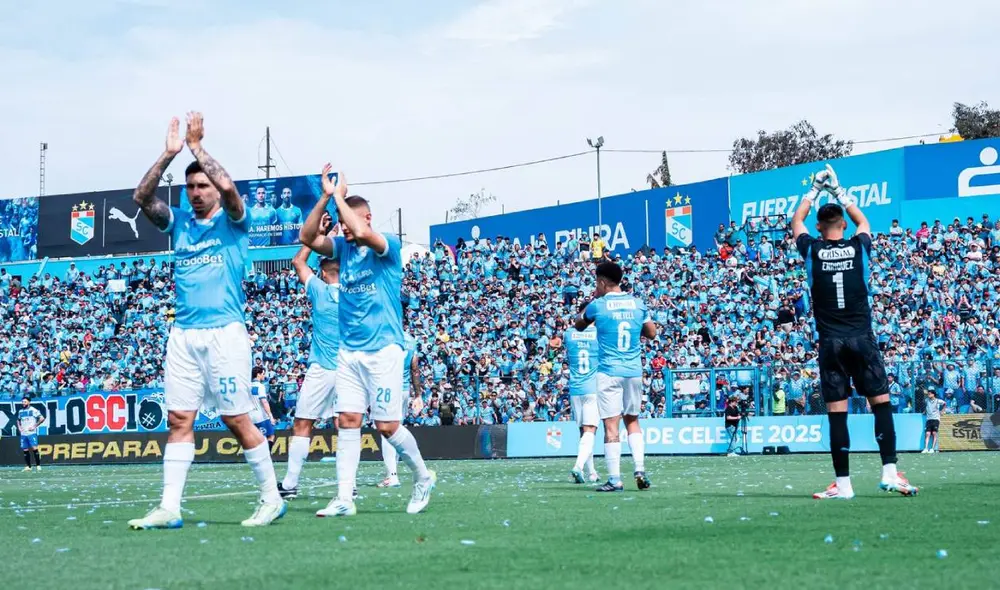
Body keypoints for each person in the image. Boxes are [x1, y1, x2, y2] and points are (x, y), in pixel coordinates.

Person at [127, 113, 286, 529]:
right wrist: (169, 154)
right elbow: (141, 198)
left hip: (225, 333)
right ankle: (170, 508)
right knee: (179, 419)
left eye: (203, 186)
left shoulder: (234, 223)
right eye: (191, 187)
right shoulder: (178, 223)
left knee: (236, 419)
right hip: (183, 335)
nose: (196, 192)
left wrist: (198, 148)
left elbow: (232, 189)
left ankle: (271, 498)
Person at [300, 165, 435, 517]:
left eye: (348, 222)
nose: (344, 229)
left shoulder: (386, 245)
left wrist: (341, 198)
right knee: (347, 421)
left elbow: (360, 230)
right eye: (342, 224)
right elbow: (307, 238)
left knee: (388, 427)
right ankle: (344, 497)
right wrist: (326, 198)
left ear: (368, 218)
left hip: (384, 350)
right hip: (350, 353)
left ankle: (422, 477)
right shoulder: (343, 248)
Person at [790, 164, 917, 500]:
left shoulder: (812, 250)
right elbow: (863, 222)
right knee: (881, 404)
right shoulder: (859, 246)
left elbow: (795, 222)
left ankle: (843, 485)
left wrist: (815, 190)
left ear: (819, 227)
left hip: (831, 343)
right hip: (862, 338)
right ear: (842, 225)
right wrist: (839, 191)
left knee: (836, 413)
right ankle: (890, 472)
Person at [575, 261, 657, 492]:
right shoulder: (638, 304)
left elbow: (579, 325)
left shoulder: (597, 305)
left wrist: (590, 313)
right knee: (633, 420)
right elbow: (651, 333)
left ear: (601, 282)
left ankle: (614, 479)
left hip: (609, 372)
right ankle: (639, 469)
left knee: (611, 427)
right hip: (633, 371)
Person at [279, 221, 341, 499]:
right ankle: (347, 486)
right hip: (350, 369)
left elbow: (297, 261)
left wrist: (320, 235)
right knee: (347, 426)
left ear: (323, 273)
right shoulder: (356, 294)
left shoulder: (319, 290)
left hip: (322, 369)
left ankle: (290, 484)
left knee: (303, 424)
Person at [378, 330, 421, 489]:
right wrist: (418, 395)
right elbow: (414, 368)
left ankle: (392, 475)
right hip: (404, 390)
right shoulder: (411, 340)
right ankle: (394, 472)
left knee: (386, 432)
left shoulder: (385, 337)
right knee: (396, 430)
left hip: (389, 389)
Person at [564, 318, 601, 484]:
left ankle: (591, 471)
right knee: (591, 430)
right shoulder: (598, 334)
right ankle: (578, 466)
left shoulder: (569, 334)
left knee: (584, 432)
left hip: (575, 389)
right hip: (592, 388)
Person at [249, 367, 276, 451]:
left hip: (250, 416)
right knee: (270, 435)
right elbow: (264, 401)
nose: (264, 376)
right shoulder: (260, 386)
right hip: (261, 416)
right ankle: (266, 456)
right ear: (258, 374)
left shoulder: (247, 386)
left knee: (256, 439)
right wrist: (270, 416)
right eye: (263, 374)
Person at [18, 397, 44, 472]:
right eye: (22, 402)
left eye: (25, 402)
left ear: (29, 402)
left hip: (31, 433)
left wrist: (34, 426)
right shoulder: (20, 411)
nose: (23, 403)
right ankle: (28, 466)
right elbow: (18, 420)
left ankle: (38, 465)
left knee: (34, 448)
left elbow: (42, 418)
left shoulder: (33, 410)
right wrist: (19, 427)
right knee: (25, 449)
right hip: (23, 434)